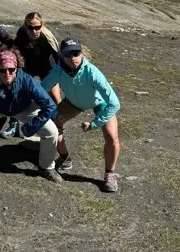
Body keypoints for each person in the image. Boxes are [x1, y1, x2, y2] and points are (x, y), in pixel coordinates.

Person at [0, 48, 60, 182]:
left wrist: (32, 125)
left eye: (11, 69)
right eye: (2, 70)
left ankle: (46, 167)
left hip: (23, 108)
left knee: (52, 131)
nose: (7, 73)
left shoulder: (27, 80)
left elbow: (49, 105)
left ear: (17, 68)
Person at [41, 37, 121, 192]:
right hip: (74, 102)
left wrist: (95, 123)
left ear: (82, 53)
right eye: (68, 54)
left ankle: (110, 173)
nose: (73, 58)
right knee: (52, 124)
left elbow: (114, 103)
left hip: (99, 103)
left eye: (76, 53)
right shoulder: (58, 71)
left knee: (112, 137)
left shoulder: (92, 72)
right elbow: (41, 89)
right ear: (61, 56)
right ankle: (65, 158)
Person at [1, 11, 62, 140]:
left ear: (42, 25)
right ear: (25, 26)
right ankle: (13, 125)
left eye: (37, 27)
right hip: (28, 65)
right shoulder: (22, 34)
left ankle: (58, 126)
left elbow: (58, 57)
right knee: (17, 93)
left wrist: (60, 75)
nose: (33, 31)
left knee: (55, 98)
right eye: (30, 27)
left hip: (47, 67)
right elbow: (16, 51)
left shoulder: (48, 38)